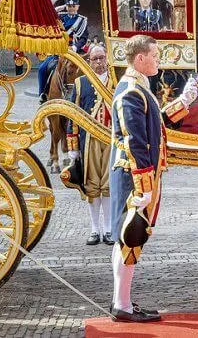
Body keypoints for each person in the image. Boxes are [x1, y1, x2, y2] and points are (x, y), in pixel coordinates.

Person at [109, 35, 198, 322]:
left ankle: (122, 301)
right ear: (140, 59)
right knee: (132, 237)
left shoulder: (138, 87)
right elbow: (134, 140)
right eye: (155, 55)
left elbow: (155, 120)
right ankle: (122, 305)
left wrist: (184, 100)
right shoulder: (131, 91)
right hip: (135, 178)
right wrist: (144, 186)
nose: (159, 60)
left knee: (127, 240)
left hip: (138, 176)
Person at [66, 46, 115, 246]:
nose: (98, 62)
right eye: (94, 59)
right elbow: (73, 115)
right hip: (89, 142)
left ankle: (109, 228)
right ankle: (95, 229)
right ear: (89, 61)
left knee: (109, 186)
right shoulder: (80, 83)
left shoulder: (116, 81)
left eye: (102, 58)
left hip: (111, 140)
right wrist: (73, 146)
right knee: (91, 186)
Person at [38, 0, 89, 103]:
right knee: (42, 69)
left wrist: (75, 47)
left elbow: (84, 37)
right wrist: (57, 9)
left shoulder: (82, 20)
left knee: (88, 70)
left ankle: (88, 94)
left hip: (75, 52)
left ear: (78, 7)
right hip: (59, 52)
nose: (71, 8)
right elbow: (46, 16)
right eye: (69, 6)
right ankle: (43, 94)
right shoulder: (60, 17)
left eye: (73, 6)